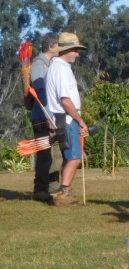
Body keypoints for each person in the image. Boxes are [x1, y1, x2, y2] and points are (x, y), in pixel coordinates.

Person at [45, 32, 89, 206]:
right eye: (75, 50)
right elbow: (65, 100)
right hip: (67, 119)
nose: (77, 54)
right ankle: (63, 193)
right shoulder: (61, 69)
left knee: (68, 157)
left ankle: (64, 190)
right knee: (75, 157)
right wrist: (80, 121)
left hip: (61, 119)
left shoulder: (55, 67)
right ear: (65, 50)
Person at [28, 33, 61, 201]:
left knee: (55, 154)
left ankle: (53, 187)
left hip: (49, 117)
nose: (61, 49)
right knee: (44, 155)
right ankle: (40, 189)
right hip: (42, 118)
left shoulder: (50, 64)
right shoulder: (39, 65)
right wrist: (49, 115)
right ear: (50, 47)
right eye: (58, 46)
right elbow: (41, 93)